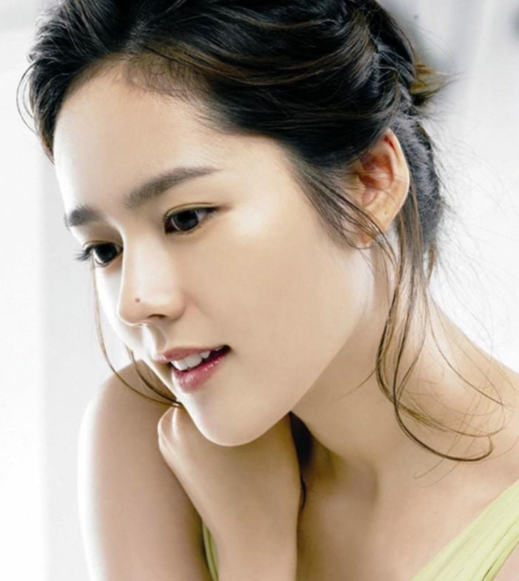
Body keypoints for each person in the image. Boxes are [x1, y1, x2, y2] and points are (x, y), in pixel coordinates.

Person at [20, 0, 519, 579]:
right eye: (105, 250)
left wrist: (255, 550)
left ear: (369, 182)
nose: (134, 302)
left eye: (186, 219)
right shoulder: (146, 434)